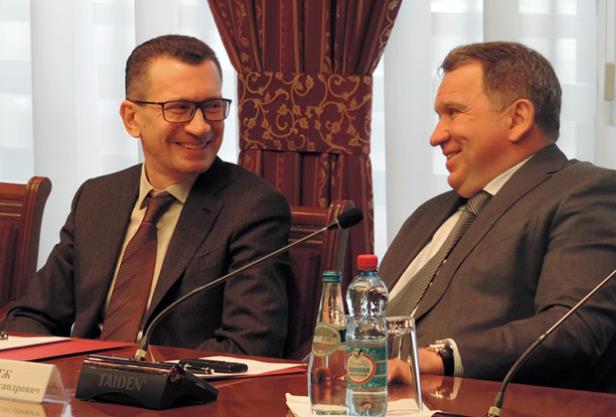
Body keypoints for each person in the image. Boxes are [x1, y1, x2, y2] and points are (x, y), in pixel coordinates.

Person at [2, 34, 290, 357]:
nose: (201, 127)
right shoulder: (97, 198)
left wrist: (141, 374)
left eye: (212, 107)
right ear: (131, 118)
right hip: (80, 381)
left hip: (180, 387)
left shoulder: (253, 208)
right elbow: (32, 316)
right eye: (179, 108)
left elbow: (248, 346)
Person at [382, 41, 616, 392]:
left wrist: (440, 358)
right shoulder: (428, 214)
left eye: (453, 112)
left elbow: (573, 328)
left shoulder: (586, 192)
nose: (436, 136)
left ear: (517, 119)